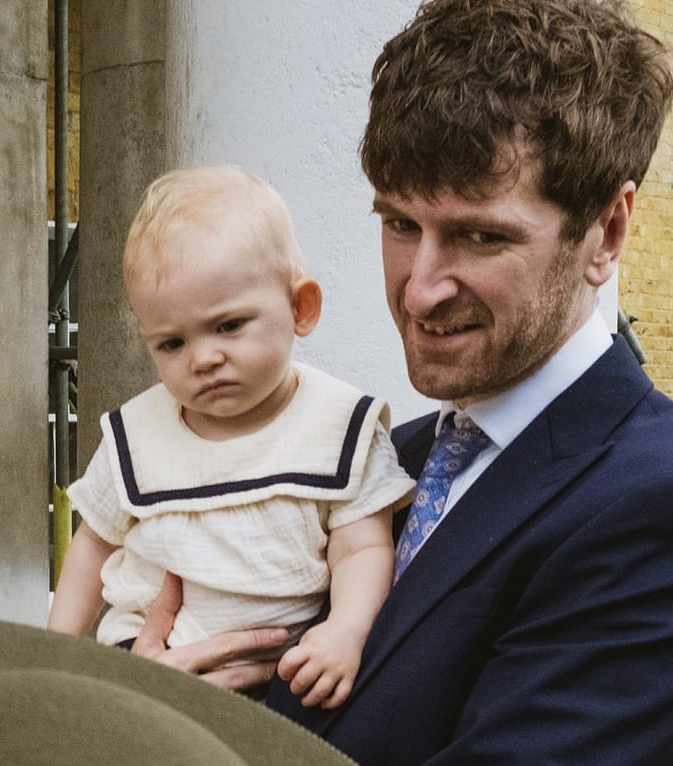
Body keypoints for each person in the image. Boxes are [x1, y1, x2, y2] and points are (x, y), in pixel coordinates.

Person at [133, 0, 673, 766]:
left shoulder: (671, 512)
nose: (419, 288)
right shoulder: (403, 451)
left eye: (480, 236)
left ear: (606, 230)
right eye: (398, 222)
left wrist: (178, 760)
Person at [49, 166, 412, 709]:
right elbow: (91, 547)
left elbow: (362, 546)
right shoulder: (137, 436)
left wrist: (348, 630)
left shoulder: (340, 428)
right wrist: (56, 654)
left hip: (287, 676)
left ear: (301, 308)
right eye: (171, 343)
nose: (203, 358)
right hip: (143, 660)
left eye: (228, 326)